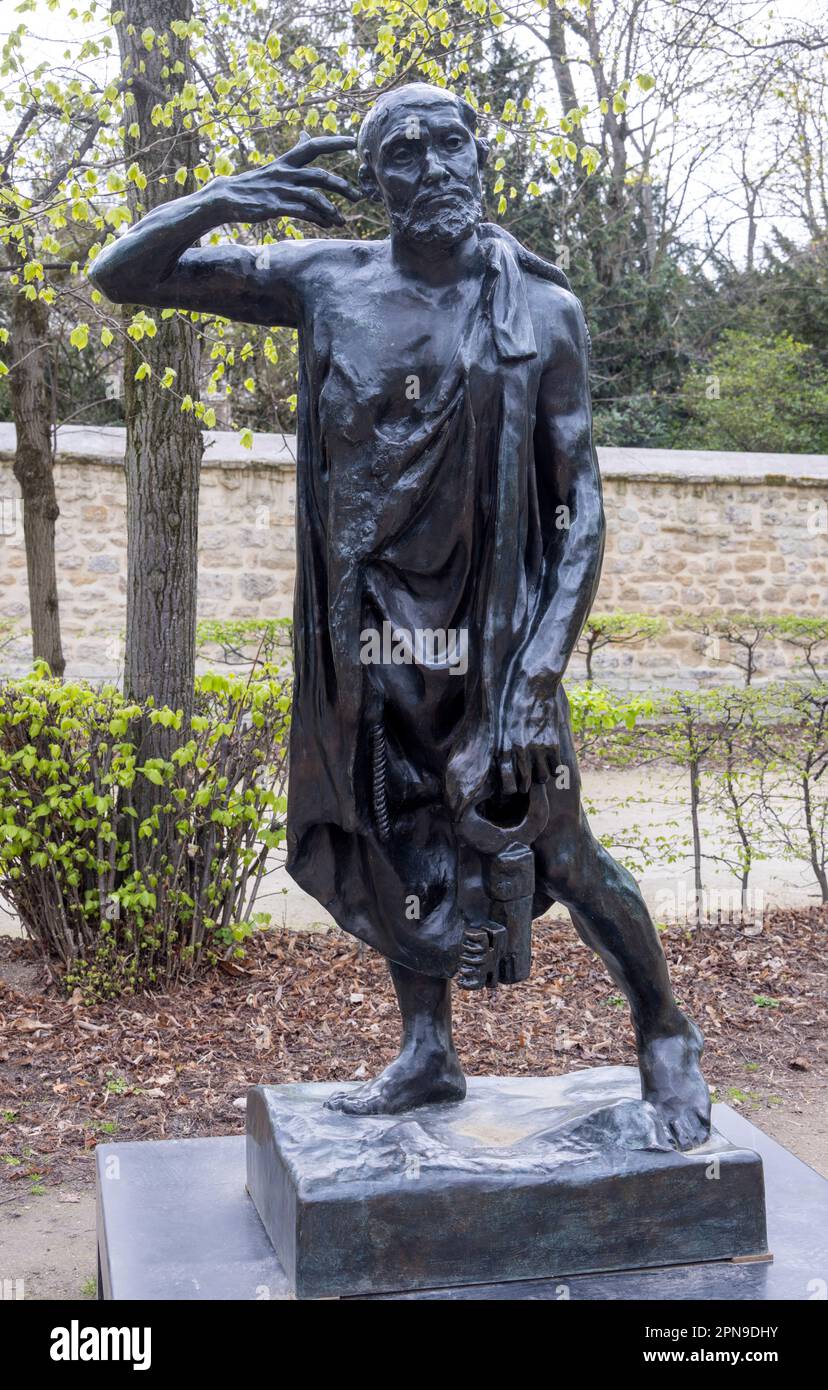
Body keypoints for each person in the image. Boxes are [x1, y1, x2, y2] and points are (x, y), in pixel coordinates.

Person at [90, 83, 711, 1148]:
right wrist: (228, 198)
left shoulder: (541, 312)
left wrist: (537, 678)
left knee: (561, 847)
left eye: (448, 146)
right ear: (377, 183)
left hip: (498, 639)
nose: (431, 171)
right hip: (366, 633)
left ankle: (665, 1029)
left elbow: (582, 509)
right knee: (394, 838)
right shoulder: (326, 281)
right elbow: (122, 274)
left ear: (480, 156)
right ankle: (429, 1053)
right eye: (403, 155)